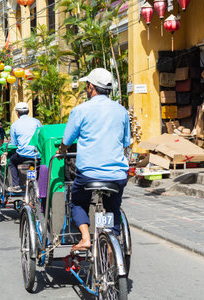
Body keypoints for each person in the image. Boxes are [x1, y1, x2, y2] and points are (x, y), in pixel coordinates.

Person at [56, 68, 131, 252]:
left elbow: (67, 140)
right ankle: (113, 242)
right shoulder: (121, 111)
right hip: (117, 174)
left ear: (91, 87)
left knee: (77, 202)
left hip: (89, 173)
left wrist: (62, 150)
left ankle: (85, 238)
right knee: (113, 206)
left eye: (87, 86)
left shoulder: (81, 110)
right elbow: (126, 142)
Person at [8, 102, 42, 193]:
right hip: (36, 155)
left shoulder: (14, 125)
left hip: (23, 156)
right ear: (28, 111)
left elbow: (14, 143)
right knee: (39, 165)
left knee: (11, 161)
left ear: (17, 113)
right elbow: (41, 137)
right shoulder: (37, 122)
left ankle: (16, 185)